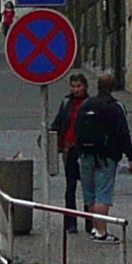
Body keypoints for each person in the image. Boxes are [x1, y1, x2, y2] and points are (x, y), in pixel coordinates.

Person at [72, 74, 132, 241]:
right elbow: (123, 133)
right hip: (106, 156)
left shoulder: (86, 105)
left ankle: (95, 229)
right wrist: (130, 156)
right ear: (112, 87)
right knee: (103, 193)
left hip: (85, 155)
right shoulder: (115, 107)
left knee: (90, 194)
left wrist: (78, 152)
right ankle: (101, 232)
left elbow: (77, 130)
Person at [48, 74, 89, 230]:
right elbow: (59, 122)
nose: (76, 89)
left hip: (85, 149)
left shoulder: (89, 103)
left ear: (85, 87)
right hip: (69, 148)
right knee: (70, 186)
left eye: (78, 86)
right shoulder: (66, 102)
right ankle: (70, 222)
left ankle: (89, 221)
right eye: (73, 86)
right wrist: (51, 135)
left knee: (87, 186)